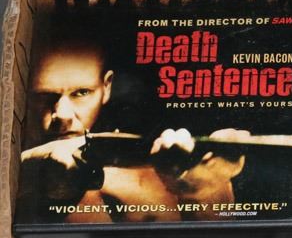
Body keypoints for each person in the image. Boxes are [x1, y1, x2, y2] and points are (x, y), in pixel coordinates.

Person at [17, 30, 245, 224]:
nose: (63, 115)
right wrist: (29, 168)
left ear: (106, 87)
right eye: (42, 97)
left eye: (82, 93)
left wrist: (208, 191)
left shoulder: (151, 171)